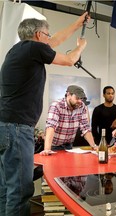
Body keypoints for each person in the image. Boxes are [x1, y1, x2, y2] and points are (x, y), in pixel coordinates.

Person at [0, 12, 89, 216]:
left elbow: (55, 40)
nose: (50, 39)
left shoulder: (18, 50)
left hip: (5, 126)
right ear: (39, 35)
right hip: (17, 129)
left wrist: (77, 24)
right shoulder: (33, 48)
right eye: (47, 34)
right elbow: (69, 59)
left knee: (6, 188)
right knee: (20, 191)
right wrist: (81, 45)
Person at [39, 85, 97, 155]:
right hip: (54, 146)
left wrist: (94, 146)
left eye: (81, 98)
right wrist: (47, 149)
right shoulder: (57, 105)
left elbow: (85, 128)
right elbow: (51, 127)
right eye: (77, 98)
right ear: (68, 94)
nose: (79, 101)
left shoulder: (82, 106)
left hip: (69, 146)